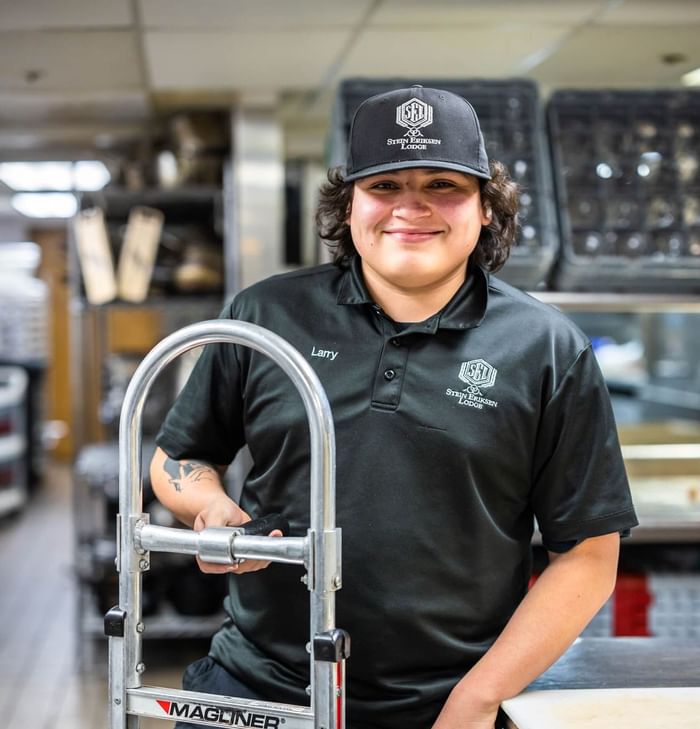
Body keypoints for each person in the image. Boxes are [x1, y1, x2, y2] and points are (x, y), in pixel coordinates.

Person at [150, 85, 638, 729]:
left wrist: (477, 701)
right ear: (347, 205)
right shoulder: (266, 315)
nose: (412, 207)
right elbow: (178, 455)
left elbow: (588, 555)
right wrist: (209, 506)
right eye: (384, 185)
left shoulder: (547, 349)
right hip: (257, 687)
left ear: (487, 208)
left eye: (443, 185)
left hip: (444, 702)